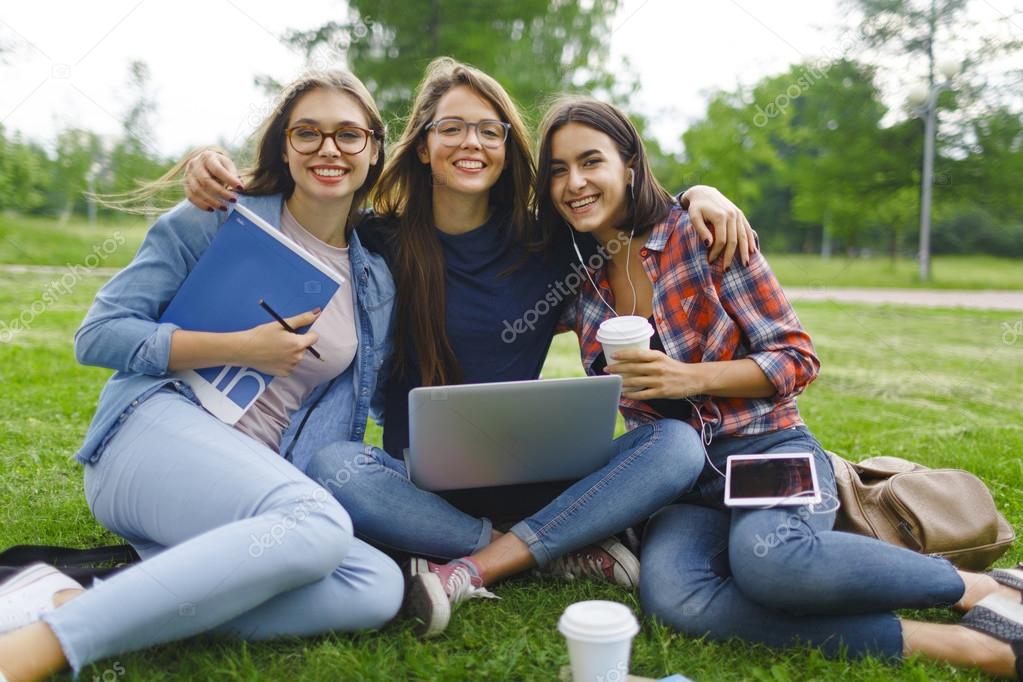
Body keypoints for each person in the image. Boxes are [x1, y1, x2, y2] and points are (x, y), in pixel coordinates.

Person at [180, 58, 757, 637]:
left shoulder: (544, 245)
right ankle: (545, 549)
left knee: (676, 445)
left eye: (488, 129)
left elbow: (621, 211)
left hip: (534, 478)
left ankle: (483, 560)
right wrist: (214, 168)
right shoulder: (376, 241)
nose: (470, 142)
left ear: (506, 147)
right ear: (424, 147)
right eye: (451, 128)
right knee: (334, 468)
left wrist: (697, 195)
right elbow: (303, 202)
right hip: (419, 486)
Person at [535, 94, 1023, 678]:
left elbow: (796, 358)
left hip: (767, 447)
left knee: (774, 564)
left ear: (630, 166)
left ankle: (984, 589)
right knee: (678, 599)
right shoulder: (579, 277)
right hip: (682, 485)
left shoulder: (703, 234)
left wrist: (690, 375)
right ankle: (963, 647)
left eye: (591, 161)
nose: (575, 182)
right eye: (559, 169)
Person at [0, 70, 405, 682]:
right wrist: (242, 347)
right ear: (284, 146)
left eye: (349, 135)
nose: (329, 149)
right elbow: (99, 334)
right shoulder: (218, 217)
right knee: (317, 525)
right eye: (308, 133)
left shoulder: (375, 279)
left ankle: (84, 599)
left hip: (250, 487)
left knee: (375, 585)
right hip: (151, 435)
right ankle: (45, 645)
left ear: (373, 150)